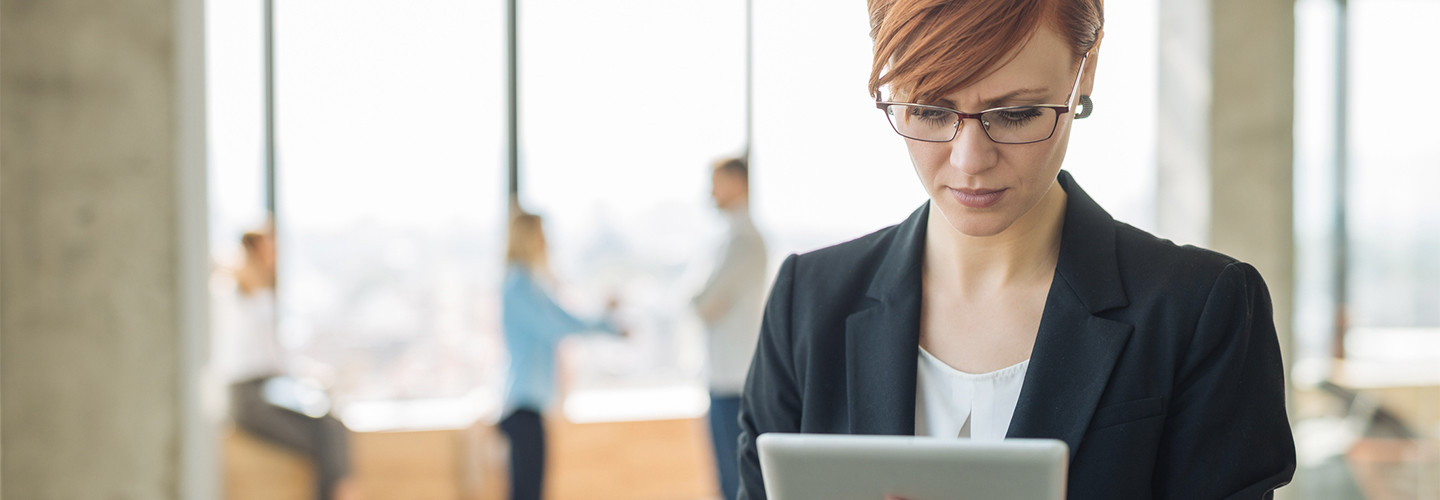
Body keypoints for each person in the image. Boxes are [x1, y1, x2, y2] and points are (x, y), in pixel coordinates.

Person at [736, 1, 1297, 499]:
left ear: (1086, 71)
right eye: (930, 112)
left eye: (1015, 114)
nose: (969, 161)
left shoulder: (1201, 311)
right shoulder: (805, 305)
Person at [215, 226, 359, 500]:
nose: (275, 258)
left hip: (271, 387)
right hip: (247, 396)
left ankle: (343, 492)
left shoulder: (264, 298)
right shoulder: (231, 295)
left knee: (332, 427)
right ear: (253, 253)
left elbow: (277, 359)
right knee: (327, 437)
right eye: (270, 250)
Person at [500, 208, 622, 500]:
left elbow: (564, 319)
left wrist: (607, 323)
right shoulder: (519, 284)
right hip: (521, 408)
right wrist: (605, 323)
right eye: (541, 235)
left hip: (532, 407)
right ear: (527, 238)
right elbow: (557, 325)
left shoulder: (533, 282)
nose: (547, 243)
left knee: (531, 490)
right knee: (527, 493)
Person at [692, 157, 768, 500]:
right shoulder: (728, 239)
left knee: (735, 483)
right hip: (725, 376)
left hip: (735, 381)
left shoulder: (743, 241)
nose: (710, 191)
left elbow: (702, 303)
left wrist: (699, 298)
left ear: (738, 184)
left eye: (717, 182)